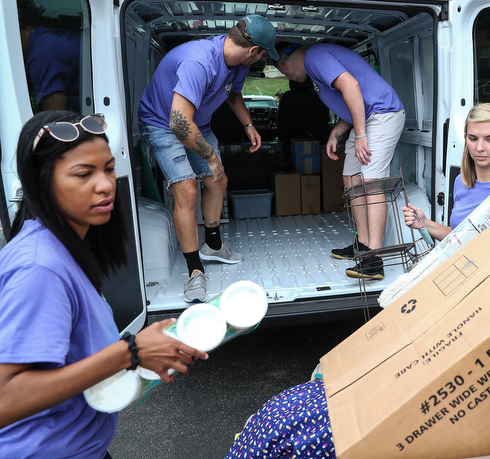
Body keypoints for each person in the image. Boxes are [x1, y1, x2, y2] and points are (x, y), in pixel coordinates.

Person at [0, 111, 209, 458]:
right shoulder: (39, 267)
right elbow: (6, 399)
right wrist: (131, 352)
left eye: (109, 169)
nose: (106, 184)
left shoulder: (64, 245)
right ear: (41, 181)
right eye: (84, 173)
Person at [138, 15, 280, 302]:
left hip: (196, 125)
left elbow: (233, 95)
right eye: (264, 55)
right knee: (187, 190)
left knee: (217, 180)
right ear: (253, 51)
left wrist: (248, 125)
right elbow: (178, 123)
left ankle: (212, 245)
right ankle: (195, 272)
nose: (263, 60)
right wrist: (210, 157)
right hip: (163, 124)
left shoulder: (236, 63)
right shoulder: (199, 62)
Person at [275, 42, 405, 280]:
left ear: (285, 66)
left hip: (381, 115)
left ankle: (374, 259)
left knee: (371, 183)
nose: (289, 77)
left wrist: (361, 135)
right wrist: (337, 131)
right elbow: (351, 100)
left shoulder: (314, 58)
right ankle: (362, 245)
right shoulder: (316, 65)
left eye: (285, 73)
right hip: (365, 119)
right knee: (351, 181)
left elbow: (351, 86)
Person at [403, 103, 490, 248]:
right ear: (465, 139)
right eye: (473, 138)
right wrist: (426, 223)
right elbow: (461, 237)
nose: (479, 148)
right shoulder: (461, 181)